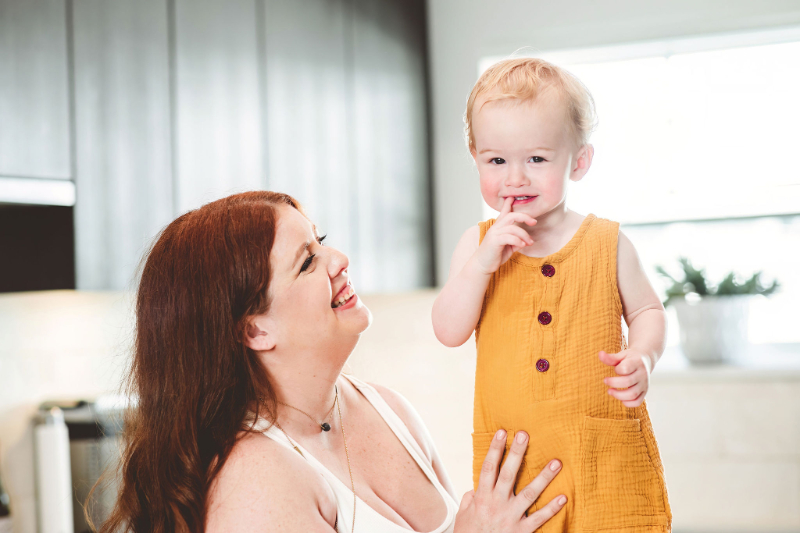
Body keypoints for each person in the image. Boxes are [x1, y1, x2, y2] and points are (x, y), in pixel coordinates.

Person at [97, 191, 568, 533]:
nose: (339, 259)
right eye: (307, 262)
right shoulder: (255, 483)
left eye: (321, 242)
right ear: (254, 330)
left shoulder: (387, 409)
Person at [431, 57, 672, 532]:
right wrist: (482, 265)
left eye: (537, 159)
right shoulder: (476, 245)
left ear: (578, 162)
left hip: (604, 462)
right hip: (518, 473)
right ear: (476, 158)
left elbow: (648, 309)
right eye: (496, 160)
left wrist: (643, 355)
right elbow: (448, 330)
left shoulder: (608, 242)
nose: (515, 178)